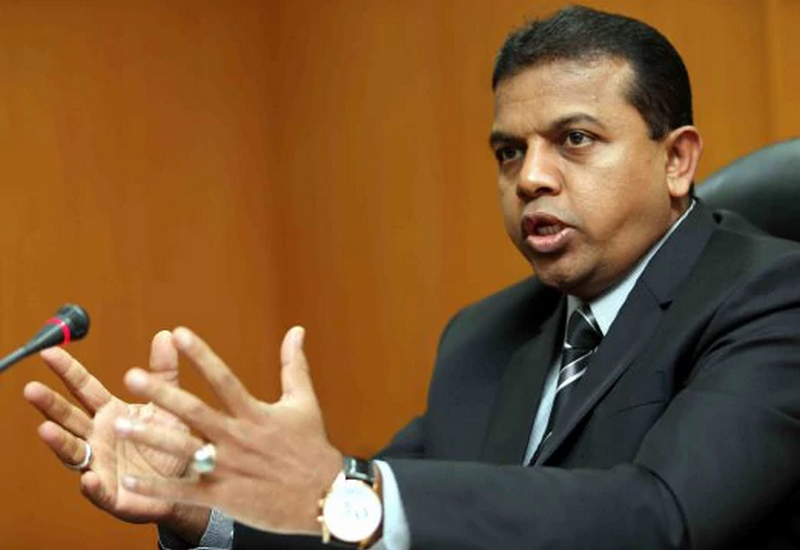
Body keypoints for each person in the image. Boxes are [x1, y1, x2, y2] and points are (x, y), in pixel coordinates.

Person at [24, 5, 800, 549]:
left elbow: (660, 517)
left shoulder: (772, 297)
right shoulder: (486, 336)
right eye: (509, 152)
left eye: (574, 139)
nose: (531, 178)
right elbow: (372, 519)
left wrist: (349, 490)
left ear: (677, 160)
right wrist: (201, 499)